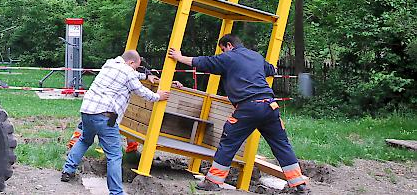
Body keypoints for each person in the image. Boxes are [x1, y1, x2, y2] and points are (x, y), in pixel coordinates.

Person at [168, 34, 309, 193]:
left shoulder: (228, 57)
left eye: (222, 49)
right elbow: (272, 69)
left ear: (229, 45)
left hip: (248, 108)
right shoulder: (255, 56)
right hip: (270, 107)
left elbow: (204, 62)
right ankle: (298, 183)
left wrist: (179, 57)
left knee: (229, 142)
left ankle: (213, 181)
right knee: (282, 144)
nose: (222, 53)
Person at [61, 50, 170, 195]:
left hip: (87, 111)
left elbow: (132, 75)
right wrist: (158, 96)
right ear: (131, 63)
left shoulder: (110, 63)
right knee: (115, 155)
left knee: (84, 140)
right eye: (135, 67)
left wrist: (146, 75)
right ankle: (116, 192)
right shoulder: (128, 72)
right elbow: (140, 91)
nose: (135, 70)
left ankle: (68, 170)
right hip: (105, 116)